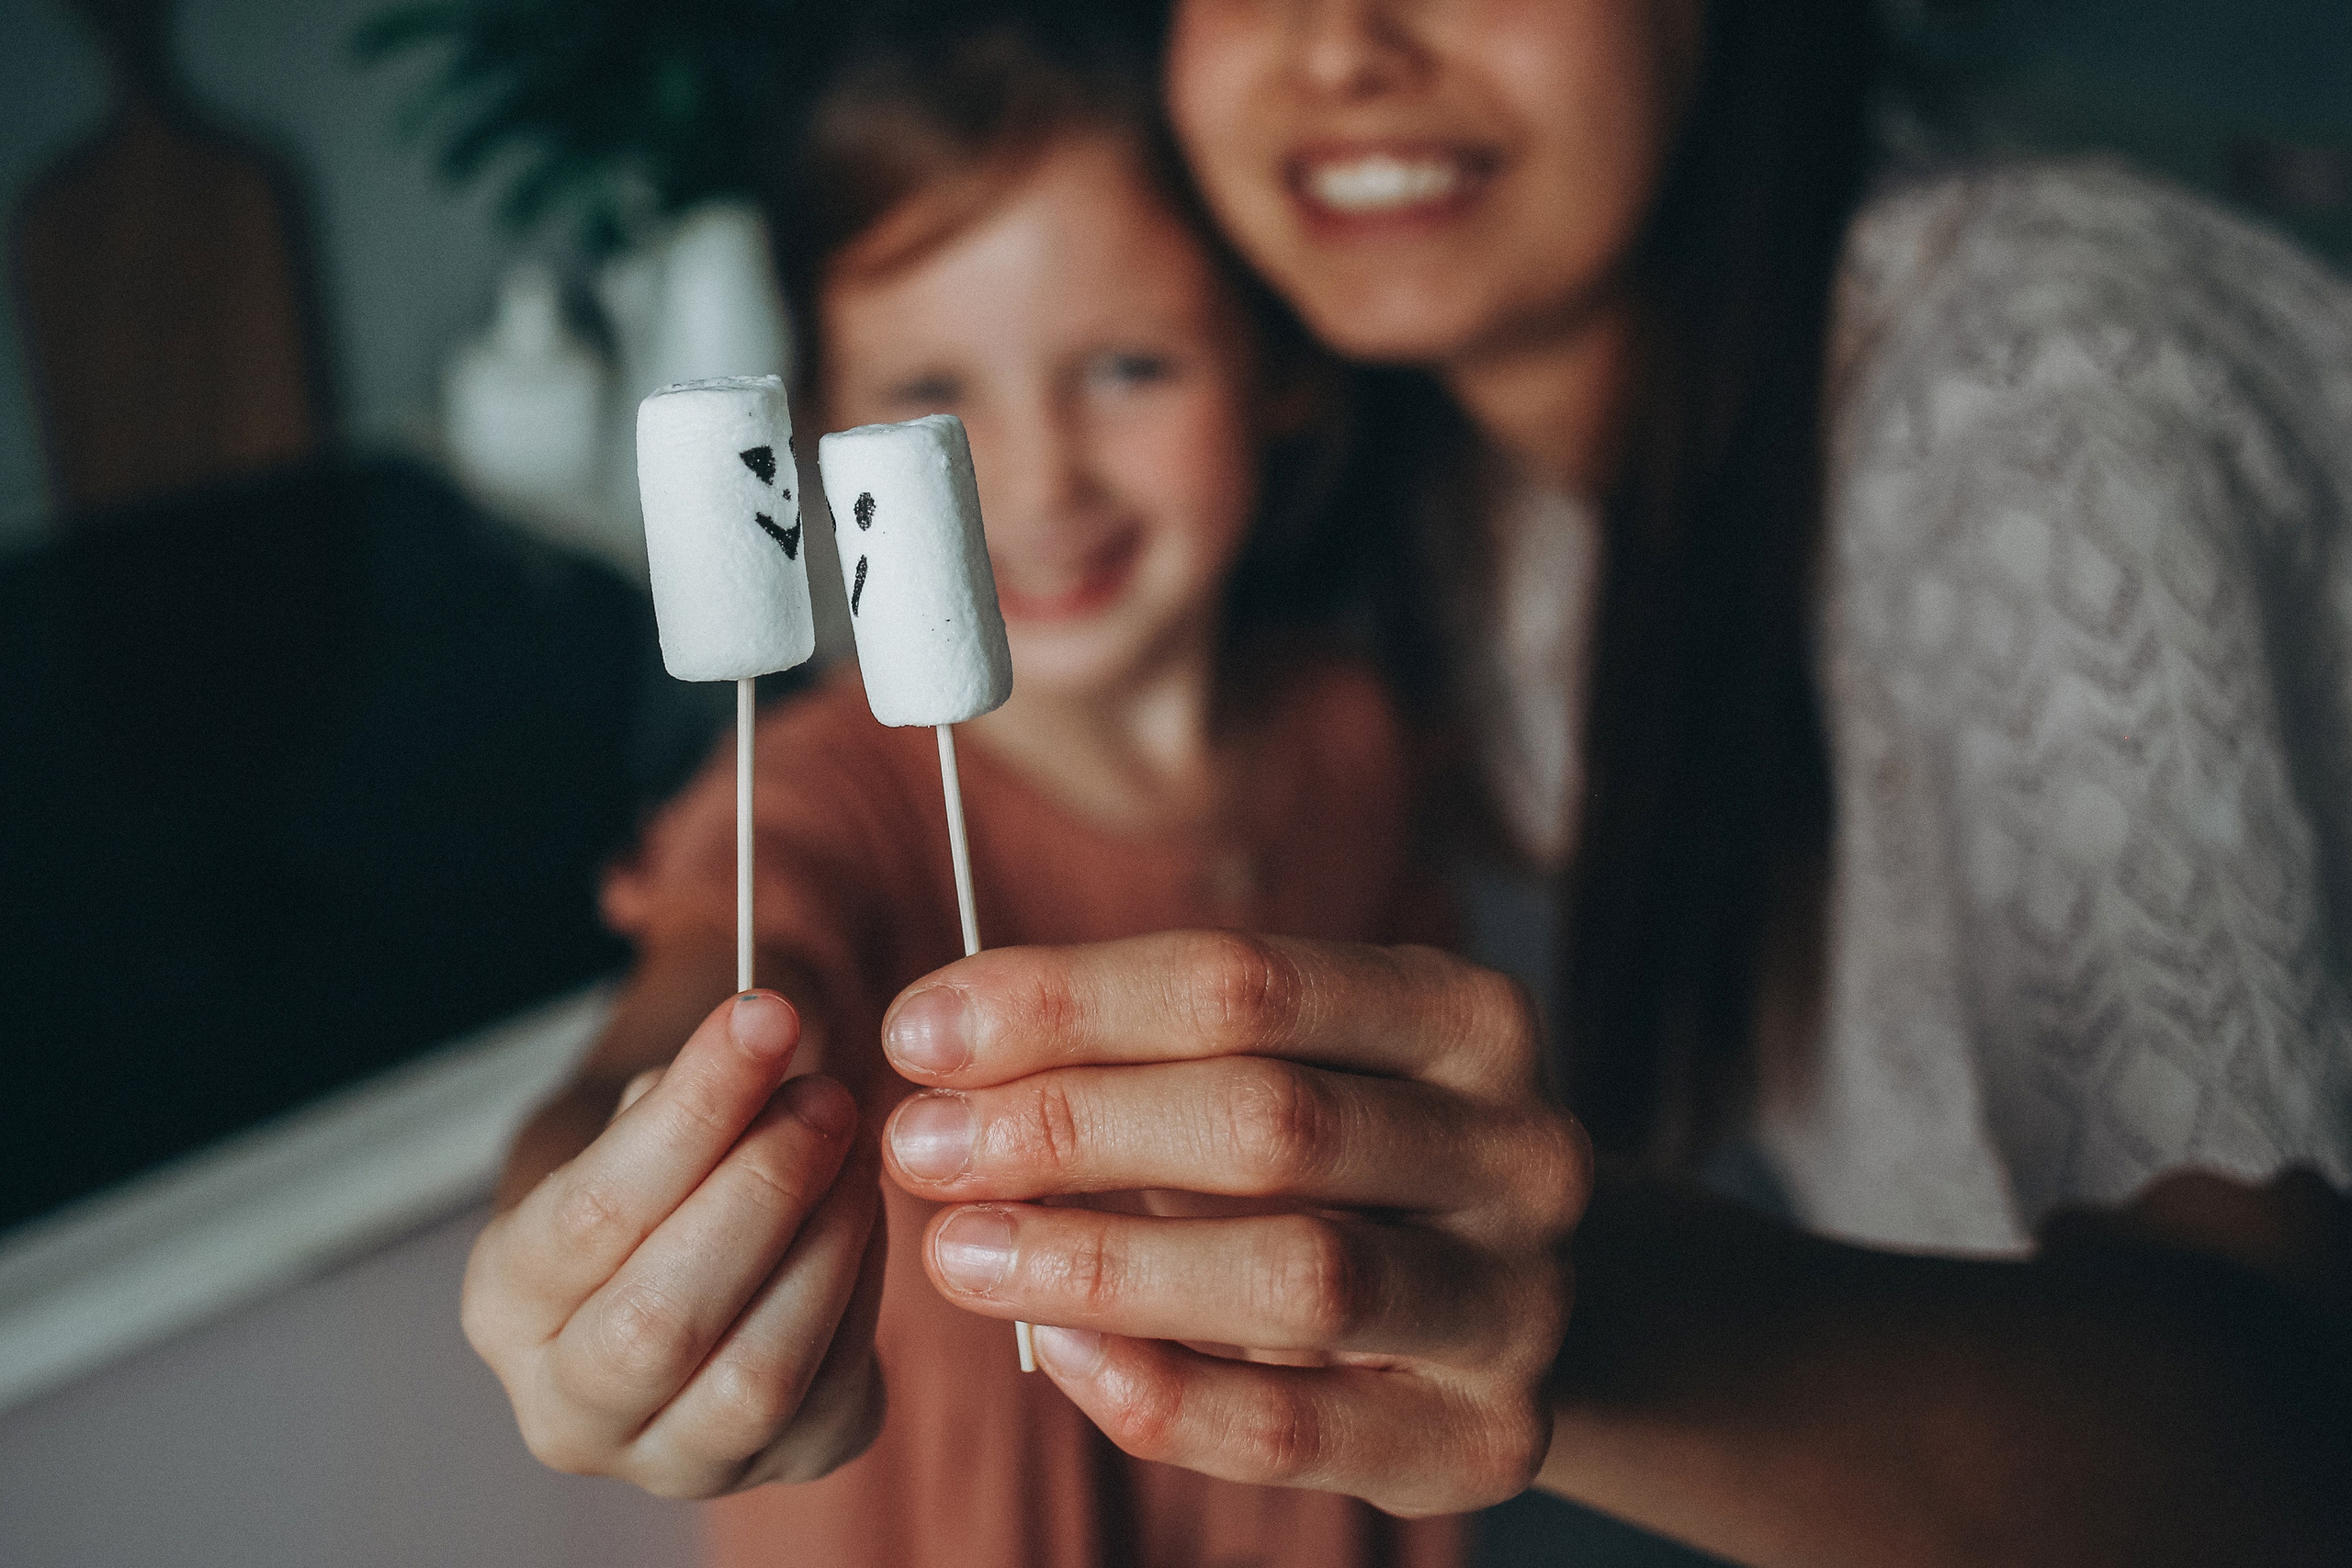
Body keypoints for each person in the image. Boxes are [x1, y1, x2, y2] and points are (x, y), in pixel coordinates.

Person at [833, 1, 2352, 1564]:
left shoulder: (2057, 402)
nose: (1344, 46)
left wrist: (1555, 1309)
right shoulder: (1469, 512)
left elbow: (2294, 1456)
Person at [460, 10, 1464, 1568]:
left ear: (1273, 371)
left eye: (1130, 367)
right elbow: (696, 1006)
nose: (1040, 479)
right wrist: (593, 1217)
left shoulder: (1357, 730)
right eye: (932, 393)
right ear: (812, 442)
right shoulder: (819, 800)